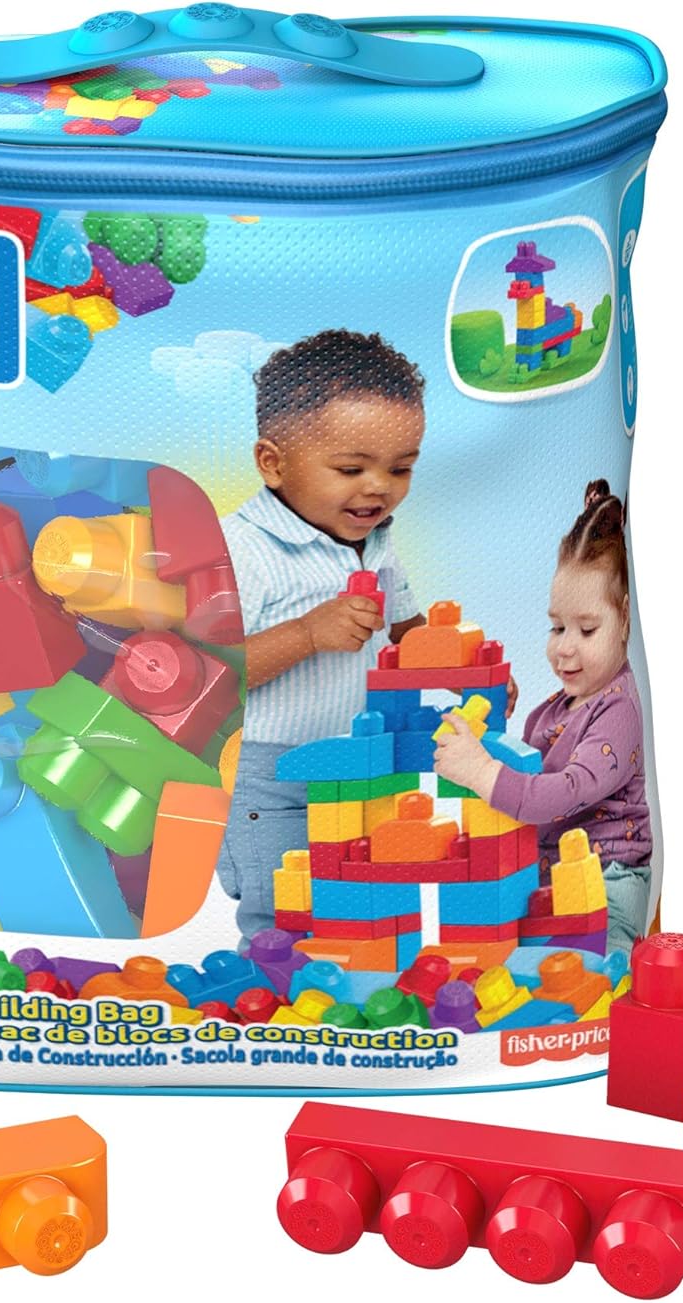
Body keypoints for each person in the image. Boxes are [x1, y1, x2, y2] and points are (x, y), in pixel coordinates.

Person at [215, 330, 430, 941]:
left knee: (360, 899)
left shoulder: (378, 542)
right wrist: (307, 634)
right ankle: (269, 990)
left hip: (360, 762)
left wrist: (463, 669)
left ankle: (348, 987)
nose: (379, 487)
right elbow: (208, 675)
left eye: (401, 468)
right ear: (273, 463)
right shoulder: (242, 549)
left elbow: (408, 633)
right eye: (350, 469)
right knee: (285, 907)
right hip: (266, 770)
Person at [433, 479, 652, 952]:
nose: (564, 648)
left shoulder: (618, 709)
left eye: (587, 630)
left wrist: (481, 770)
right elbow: (525, 777)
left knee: (598, 970)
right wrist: (489, 732)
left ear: (625, 619)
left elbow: (564, 793)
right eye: (557, 627)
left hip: (606, 880)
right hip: (545, 875)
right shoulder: (550, 710)